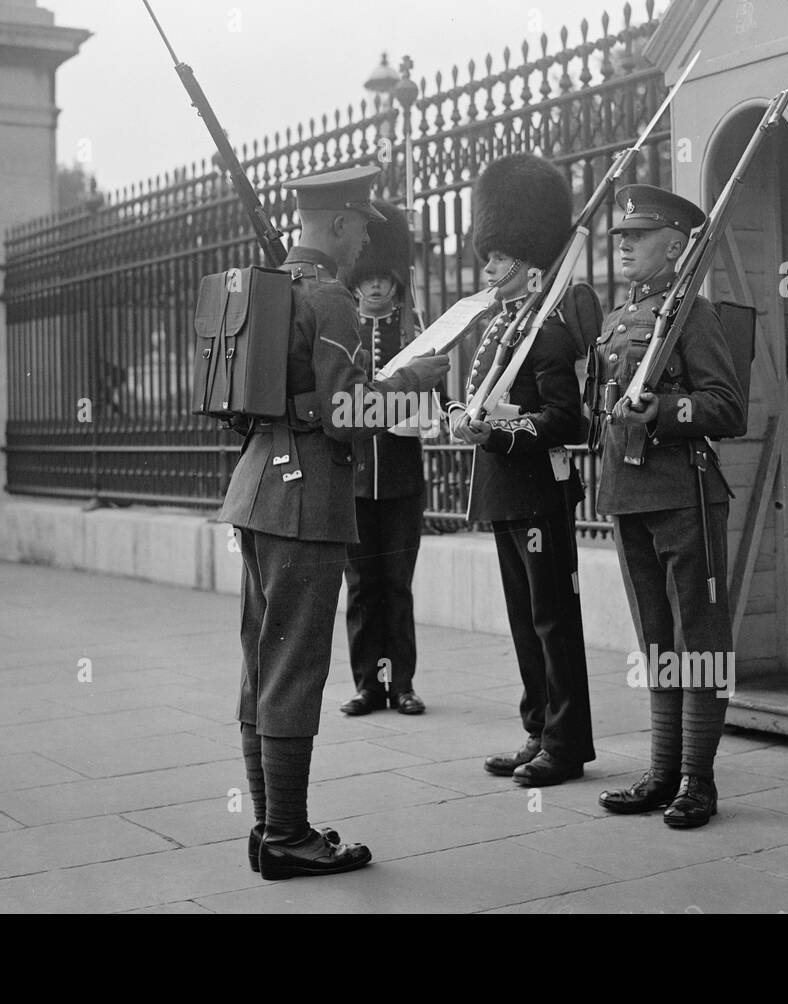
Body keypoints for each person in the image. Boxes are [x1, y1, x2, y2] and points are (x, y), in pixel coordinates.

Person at [216, 165, 450, 880]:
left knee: (262, 664)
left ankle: (268, 826)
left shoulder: (268, 289)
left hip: (256, 490)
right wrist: (415, 380)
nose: (362, 252)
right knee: (293, 669)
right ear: (343, 226)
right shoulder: (333, 302)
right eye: (362, 233)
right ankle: (287, 834)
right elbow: (348, 417)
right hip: (307, 499)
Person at [594, 184, 746, 829]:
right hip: (628, 492)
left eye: (639, 236)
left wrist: (669, 411)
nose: (624, 245)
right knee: (655, 638)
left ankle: (697, 781)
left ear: (677, 246)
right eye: (621, 237)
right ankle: (662, 771)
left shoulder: (693, 315)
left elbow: (728, 407)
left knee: (699, 639)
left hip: (684, 491)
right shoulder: (616, 318)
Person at [447, 153, 596, 788]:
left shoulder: (550, 330)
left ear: (528, 261)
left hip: (539, 492)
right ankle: (538, 730)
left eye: (497, 258)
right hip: (507, 491)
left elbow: (569, 421)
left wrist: (501, 433)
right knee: (522, 619)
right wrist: (463, 415)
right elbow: (482, 397)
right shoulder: (497, 328)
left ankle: (566, 742)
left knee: (551, 619)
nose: (487, 269)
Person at [339, 200, 428, 718]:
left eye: (384, 280)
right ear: (356, 282)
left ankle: (403, 684)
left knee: (396, 584)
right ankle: (368, 684)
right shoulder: (344, 331)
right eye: (368, 279)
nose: (376, 287)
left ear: (396, 282)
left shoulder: (412, 333)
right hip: (355, 481)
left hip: (399, 478)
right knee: (362, 588)